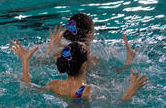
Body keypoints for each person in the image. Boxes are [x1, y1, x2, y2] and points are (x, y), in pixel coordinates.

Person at [10, 40, 149, 101]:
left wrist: (25, 61)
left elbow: (28, 88)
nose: (93, 56)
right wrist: (131, 90)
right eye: (89, 54)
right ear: (84, 65)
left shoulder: (55, 85)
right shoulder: (90, 91)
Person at [45, 13, 137, 67]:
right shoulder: (93, 60)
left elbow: (41, 62)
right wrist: (129, 60)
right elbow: (117, 77)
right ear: (89, 34)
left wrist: (50, 50)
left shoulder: (63, 54)